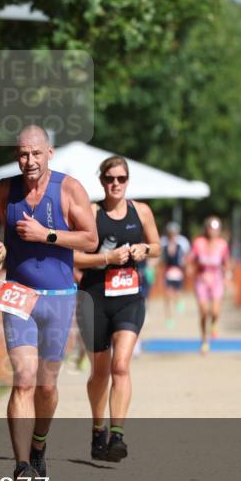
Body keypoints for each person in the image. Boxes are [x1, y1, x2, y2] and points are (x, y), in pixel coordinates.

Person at [0, 125, 98, 481]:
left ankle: (39, 443)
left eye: (35, 153)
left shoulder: (69, 189)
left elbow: (91, 239)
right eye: (22, 154)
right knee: (24, 378)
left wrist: (46, 235)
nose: (28, 161)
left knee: (47, 386)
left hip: (59, 297)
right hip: (18, 294)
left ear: (50, 152)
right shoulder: (6, 188)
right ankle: (20, 468)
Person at [74, 156, 159, 462]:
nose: (116, 184)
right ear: (101, 181)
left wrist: (144, 249)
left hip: (129, 298)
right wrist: (105, 259)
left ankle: (117, 435)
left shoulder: (142, 211)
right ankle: (98, 429)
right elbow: (73, 258)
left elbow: (157, 246)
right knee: (100, 372)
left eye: (121, 179)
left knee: (120, 366)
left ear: (127, 181)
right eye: (110, 179)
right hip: (94, 299)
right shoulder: (91, 214)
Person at [188, 216, 230, 354]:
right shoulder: (198, 242)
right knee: (204, 312)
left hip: (216, 280)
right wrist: (189, 265)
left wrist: (228, 276)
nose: (213, 231)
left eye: (216, 228)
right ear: (206, 229)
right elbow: (191, 258)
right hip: (201, 280)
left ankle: (214, 324)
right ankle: (204, 340)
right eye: (211, 228)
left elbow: (226, 263)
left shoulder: (222, 244)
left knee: (215, 311)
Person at [160, 221, 189, 327]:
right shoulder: (163, 242)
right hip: (168, 272)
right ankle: (169, 318)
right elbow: (160, 258)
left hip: (178, 272)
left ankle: (179, 302)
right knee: (168, 296)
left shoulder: (182, 242)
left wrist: (186, 265)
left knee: (177, 293)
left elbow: (186, 256)